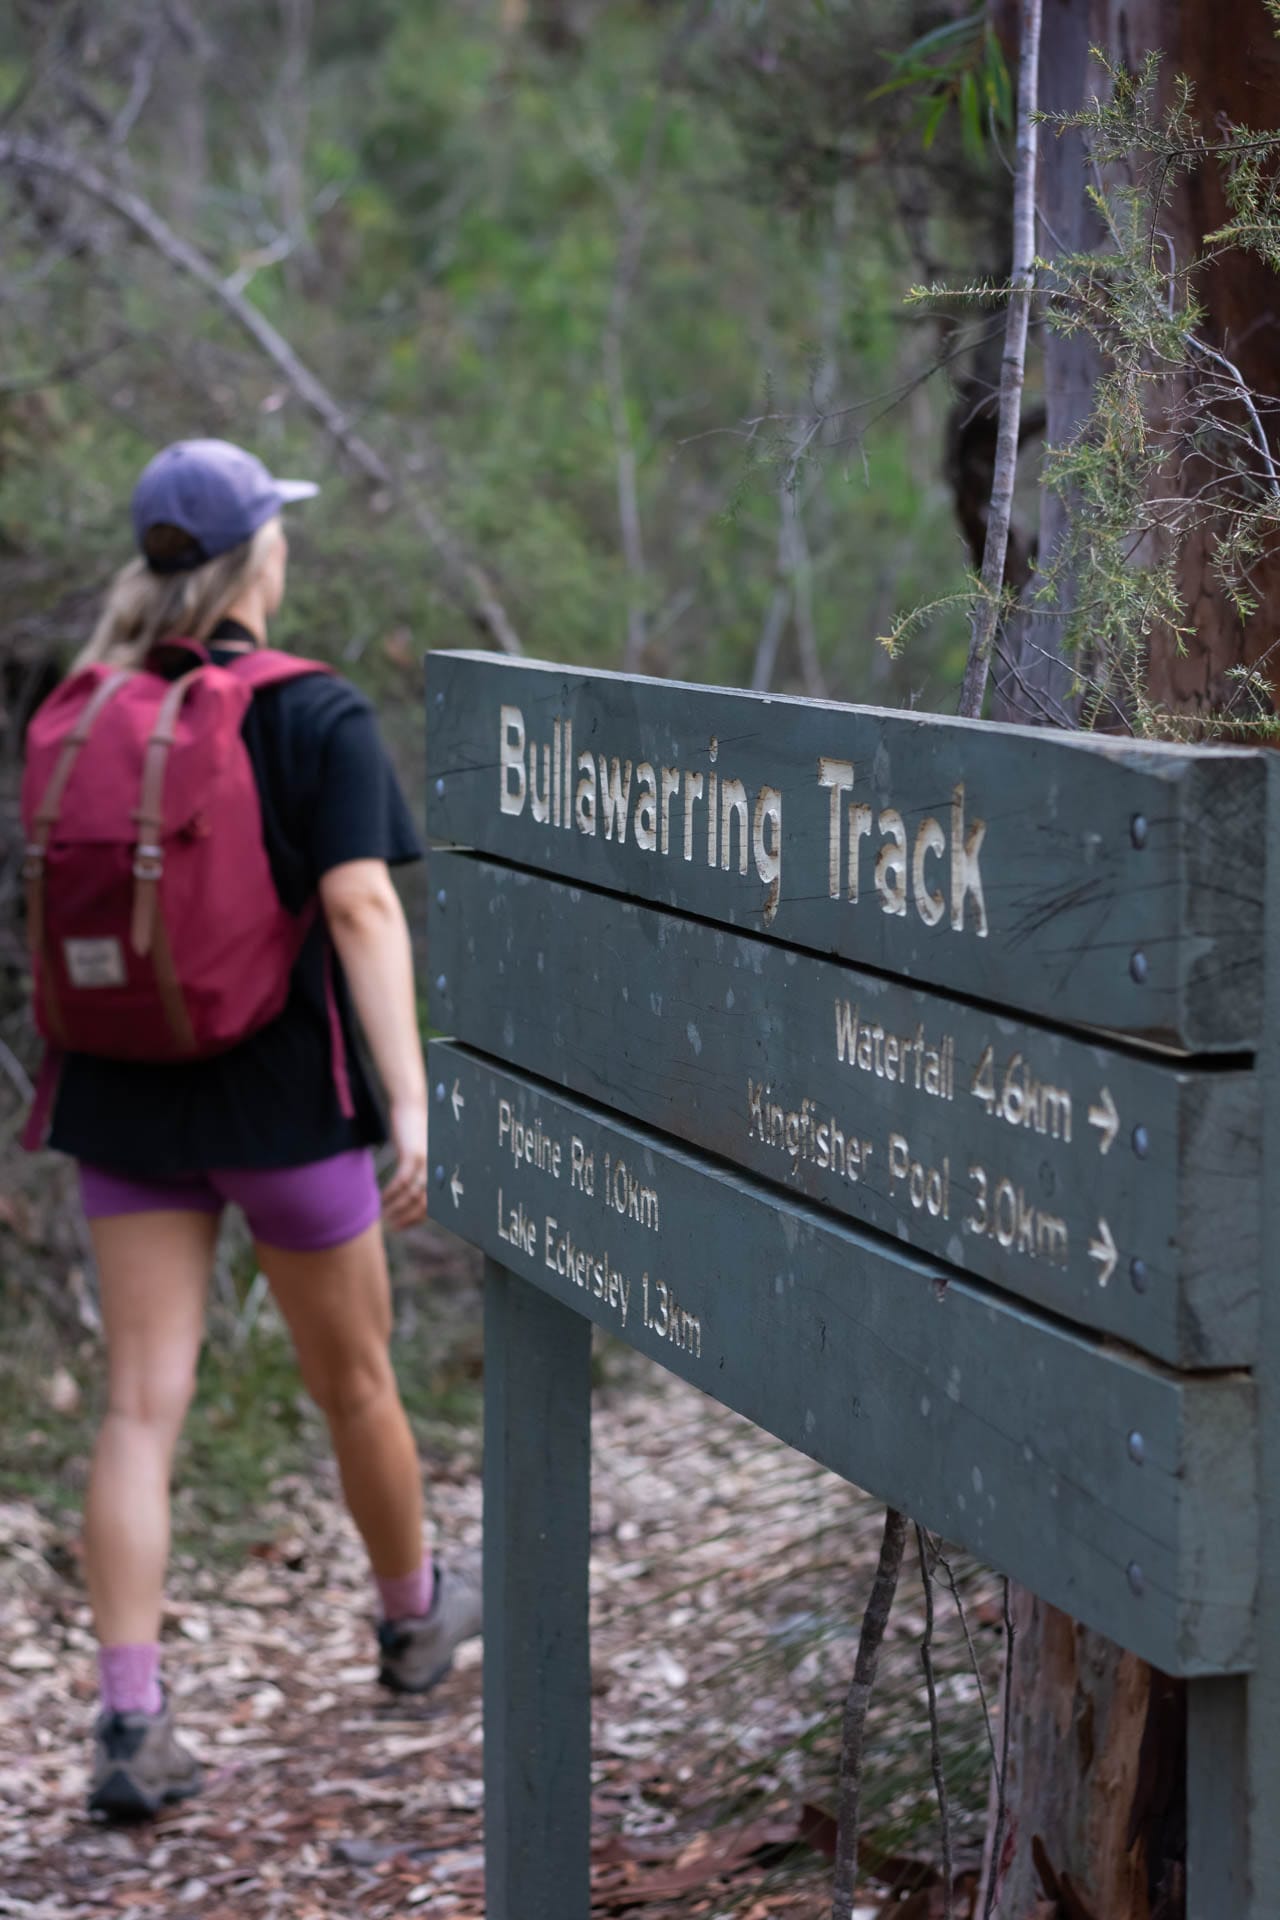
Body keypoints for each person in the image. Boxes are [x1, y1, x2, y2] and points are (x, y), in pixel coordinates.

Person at [23, 438, 481, 1821]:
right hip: (286, 1111)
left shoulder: (83, 704)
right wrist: (412, 1103)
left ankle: (129, 1715)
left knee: (139, 1408)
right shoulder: (314, 715)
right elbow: (361, 910)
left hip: (122, 1104)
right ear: (260, 558)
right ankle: (412, 1623)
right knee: (355, 1383)